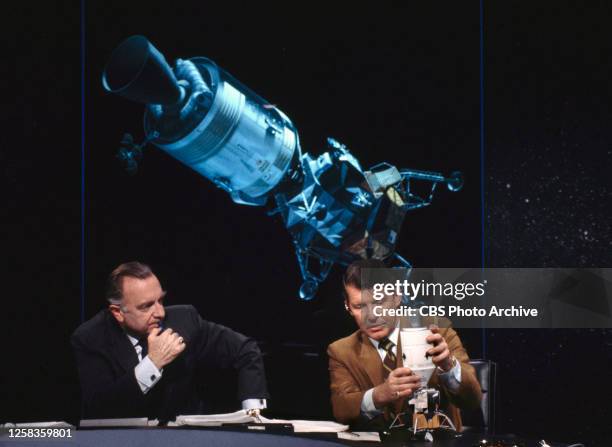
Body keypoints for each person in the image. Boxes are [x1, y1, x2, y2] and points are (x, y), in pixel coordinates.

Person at [71, 261, 268, 422]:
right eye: (146, 306)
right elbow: (102, 408)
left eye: (161, 301)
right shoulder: (90, 338)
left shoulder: (184, 320)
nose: (160, 313)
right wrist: (152, 364)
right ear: (118, 312)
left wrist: (252, 416)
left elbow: (246, 350)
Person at [327, 259, 482, 431]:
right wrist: (379, 395)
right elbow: (341, 408)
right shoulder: (341, 351)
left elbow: (473, 400)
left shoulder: (437, 329)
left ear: (396, 297)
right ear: (348, 307)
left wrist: (448, 367)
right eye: (359, 306)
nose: (371, 316)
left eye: (379, 302)